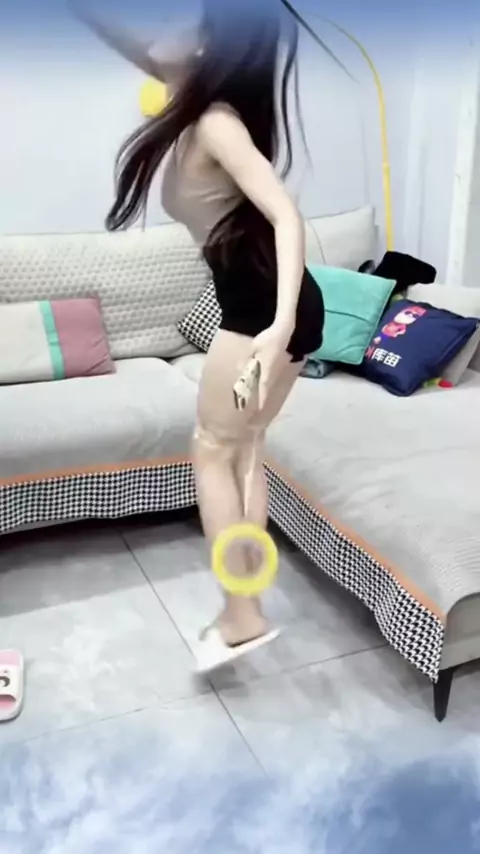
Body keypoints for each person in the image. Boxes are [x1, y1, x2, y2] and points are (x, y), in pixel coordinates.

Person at [72, 0, 325, 672]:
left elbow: (287, 216)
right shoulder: (186, 91)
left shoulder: (216, 122)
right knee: (244, 448)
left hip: (262, 310)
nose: (165, 28)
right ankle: (249, 607)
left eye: (187, 22)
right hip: (268, 306)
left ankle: (242, 615)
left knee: (212, 448)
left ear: (210, 48)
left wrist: (277, 327)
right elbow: (125, 35)